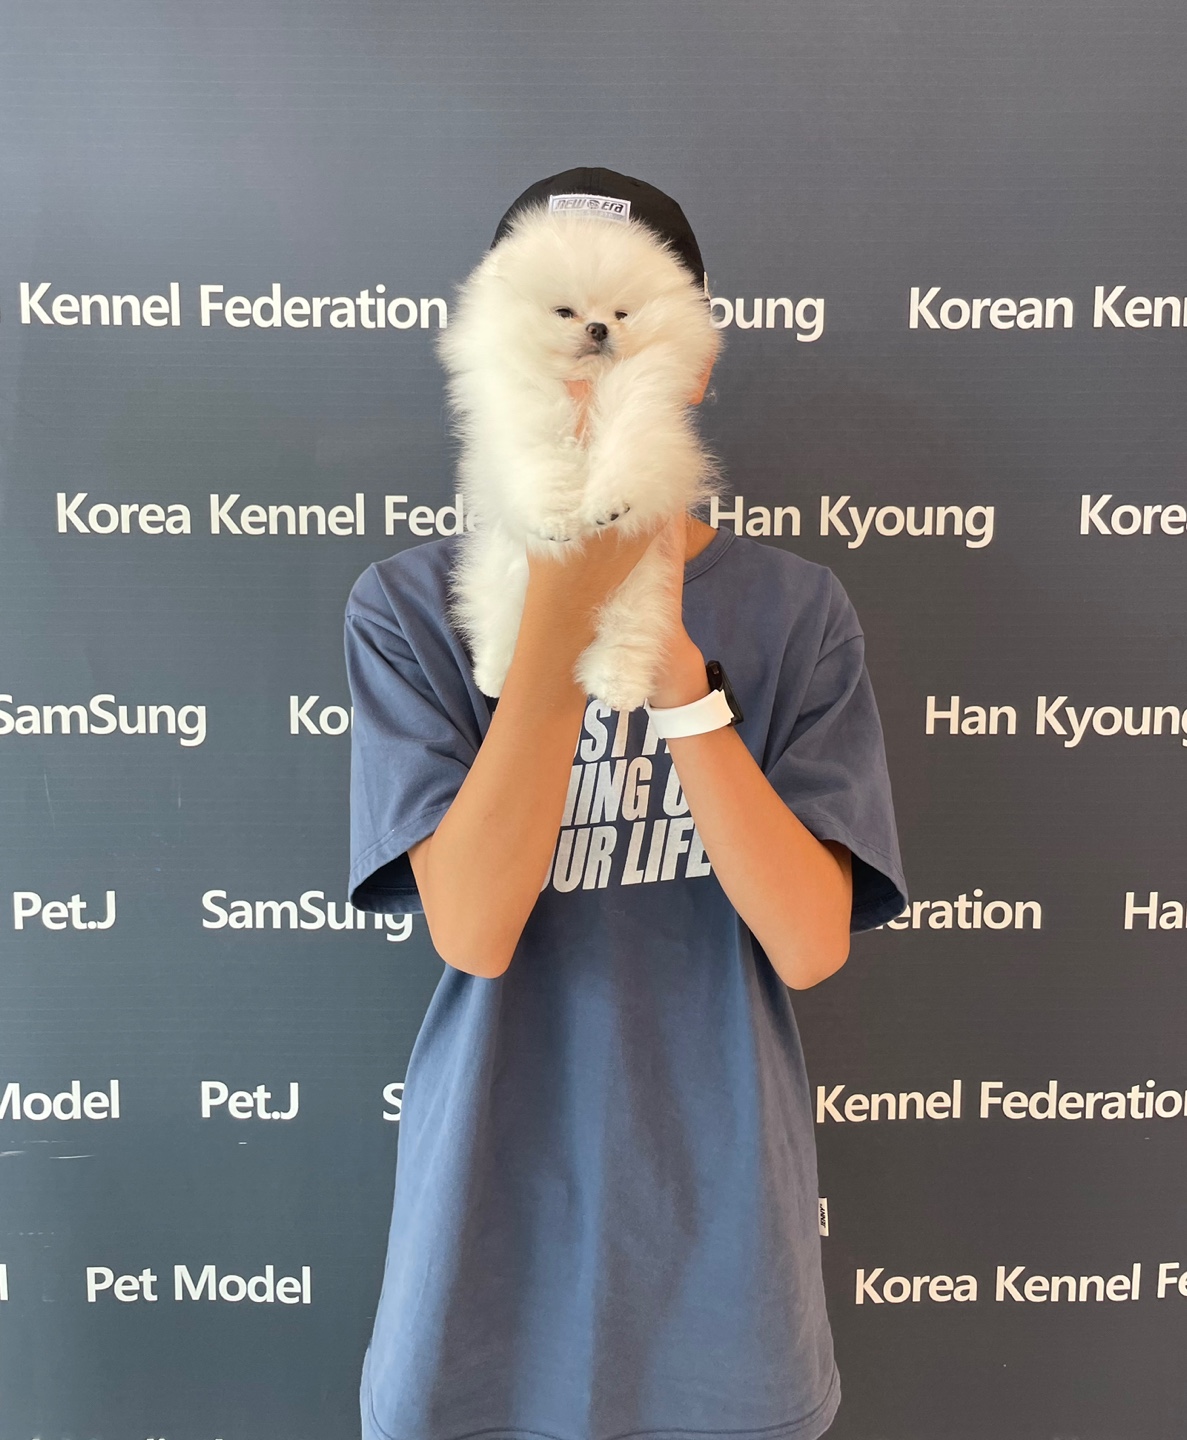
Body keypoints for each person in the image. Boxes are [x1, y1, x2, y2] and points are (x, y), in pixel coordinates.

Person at [344, 168, 909, 1440]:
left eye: (628, 320)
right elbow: (472, 928)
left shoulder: (794, 611)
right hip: (483, 1224)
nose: (588, 356)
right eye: (551, 316)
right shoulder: (406, 609)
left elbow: (809, 943)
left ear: (693, 358)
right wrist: (565, 602)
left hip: (724, 1240)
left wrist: (680, 685)